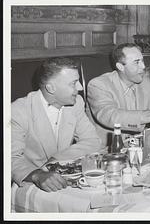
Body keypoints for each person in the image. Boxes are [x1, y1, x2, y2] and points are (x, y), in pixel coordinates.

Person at [11, 57, 104, 192]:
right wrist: (37, 174)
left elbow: (92, 141)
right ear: (51, 88)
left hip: (68, 180)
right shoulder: (17, 111)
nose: (80, 87)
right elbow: (10, 157)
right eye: (73, 83)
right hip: (31, 183)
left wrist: (56, 160)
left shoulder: (76, 102)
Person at [87, 43, 150, 146]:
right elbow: (110, 116)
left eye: (142, 60)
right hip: (108, 151)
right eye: (136, 62)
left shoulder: (147, 84)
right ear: (120, 67)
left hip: (139, 148)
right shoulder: (99, 85)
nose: (143, 66)